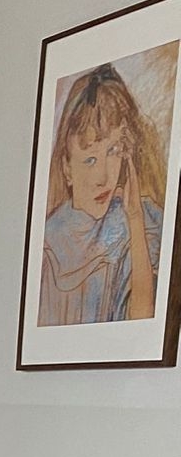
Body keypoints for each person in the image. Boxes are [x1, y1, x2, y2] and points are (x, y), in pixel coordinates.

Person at [38, 63, 167, 327]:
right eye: (90, 160)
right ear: (67, 167)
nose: (103, 177)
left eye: (113, 151)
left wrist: (134, 217)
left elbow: (142, 327)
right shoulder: (48, 242)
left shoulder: (144, 223)